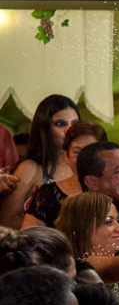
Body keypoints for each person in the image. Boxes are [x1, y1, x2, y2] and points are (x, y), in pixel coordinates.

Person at [0, 95, 79, 230]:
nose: (69, 130)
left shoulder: (85, 167)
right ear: (44, 128)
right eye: (60, 124)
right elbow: (7, 220)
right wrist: (55, 229)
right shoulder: (31, 168)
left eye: (74, 123)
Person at [20, 120, 106, 230]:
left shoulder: (116, 190)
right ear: (66, 156)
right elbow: (30, 240)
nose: (84, 157)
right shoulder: (48, 194)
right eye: (76, 151)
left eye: (91, 151)